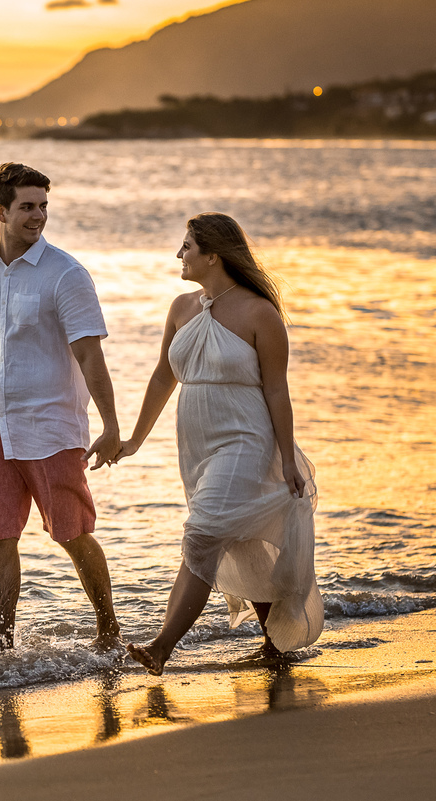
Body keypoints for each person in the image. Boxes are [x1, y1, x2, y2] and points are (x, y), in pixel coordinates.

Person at [0, 162, 123, 652]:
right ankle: (1, 647)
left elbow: (89, 353)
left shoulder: (67, 275)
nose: (38, 217)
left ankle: (108, 630)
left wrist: (111, 424)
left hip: (52, 427)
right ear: (0, 210)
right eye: (28, 207)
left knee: (72, 535)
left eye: (43, 207)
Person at [118, 212, 323, 675]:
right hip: (196, 444)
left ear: (214, 255)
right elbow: (161, 377)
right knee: (241, 540)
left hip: (246, 440)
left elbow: (277, 391)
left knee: (204, 532)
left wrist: (288, 459)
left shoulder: (259, 313)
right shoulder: (180, 307)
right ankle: (277, 643)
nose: (179, 254)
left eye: (186, 246)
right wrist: (134, 439)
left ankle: (161, 646)